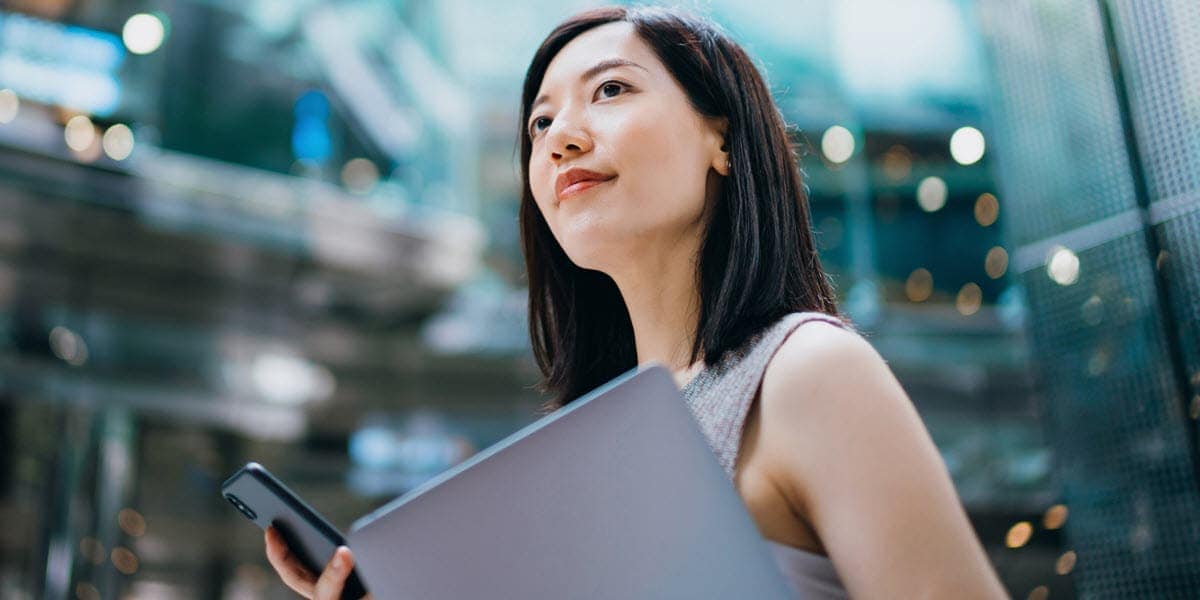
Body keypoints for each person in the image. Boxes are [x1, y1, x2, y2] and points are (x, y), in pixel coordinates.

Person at [264, 5, 1009, 599]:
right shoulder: (587, 445)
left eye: (611, 90)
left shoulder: (807, 372)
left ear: (723, 136)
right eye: (541, 124)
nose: (560, 140)